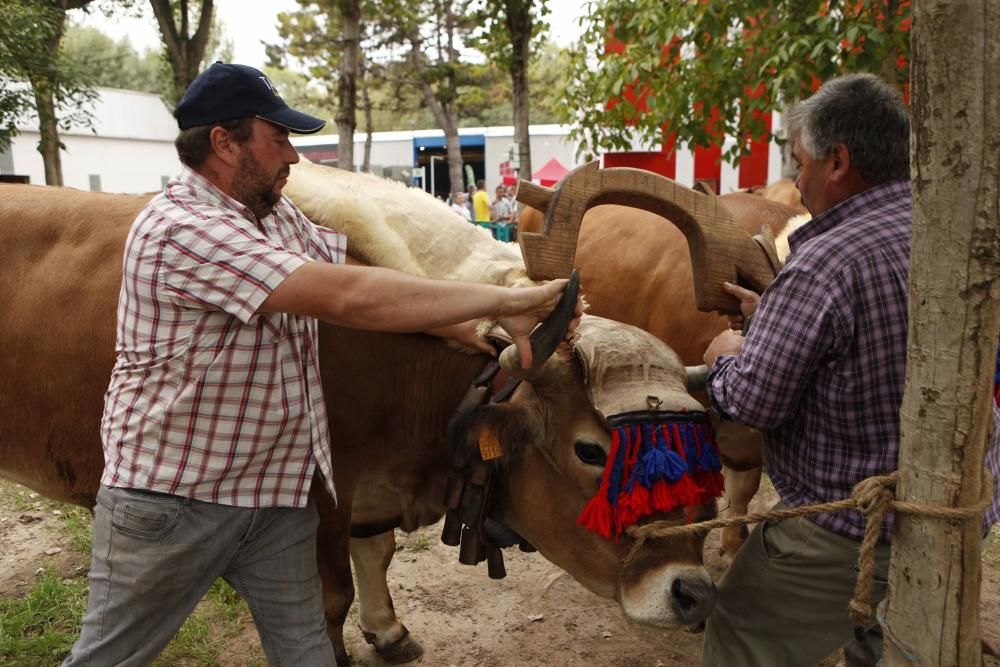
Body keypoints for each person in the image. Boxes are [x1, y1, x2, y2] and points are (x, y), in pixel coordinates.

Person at [62, 62, 579, 667]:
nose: (293, 157)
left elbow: (363, 278)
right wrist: (508, 300)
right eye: (277, 138)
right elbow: (344, 298)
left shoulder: (273, 215)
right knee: (108, 658)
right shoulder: (181, 229)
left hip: (274, 496)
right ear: (224, 144)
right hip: (176, 500)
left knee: (309, 651)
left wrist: (472, 328)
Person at [698, 73, 928, 665]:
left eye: (800, 162)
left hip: (847, 526)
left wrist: (727, 354)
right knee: (879, 642)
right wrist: (777, 312)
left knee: (735, 625)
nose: (795, 180)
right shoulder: (935, 229)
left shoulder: (826, 261)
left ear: (839, 161)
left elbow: (753, 404)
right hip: (937, 512)